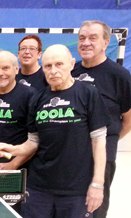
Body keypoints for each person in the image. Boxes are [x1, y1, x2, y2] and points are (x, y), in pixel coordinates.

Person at [0, 44, 109, 218]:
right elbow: (34, 142)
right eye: (48, 66)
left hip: (76, 189)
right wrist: (12, 149)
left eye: (59, 64)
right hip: (38, 187)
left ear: (71, 64)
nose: (53, 70)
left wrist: (97, 184)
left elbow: (99, 141)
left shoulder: (88, 94)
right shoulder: (38, 98)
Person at [71, 20, 131, 218]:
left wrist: (105, 143)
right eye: (82, 38)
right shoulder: (71, 72)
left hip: (101, 160)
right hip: (69, 156)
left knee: (93, 210)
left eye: (93, 38)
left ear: (106, 43)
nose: (86, 43)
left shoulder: (120, 76)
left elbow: (128, 120)